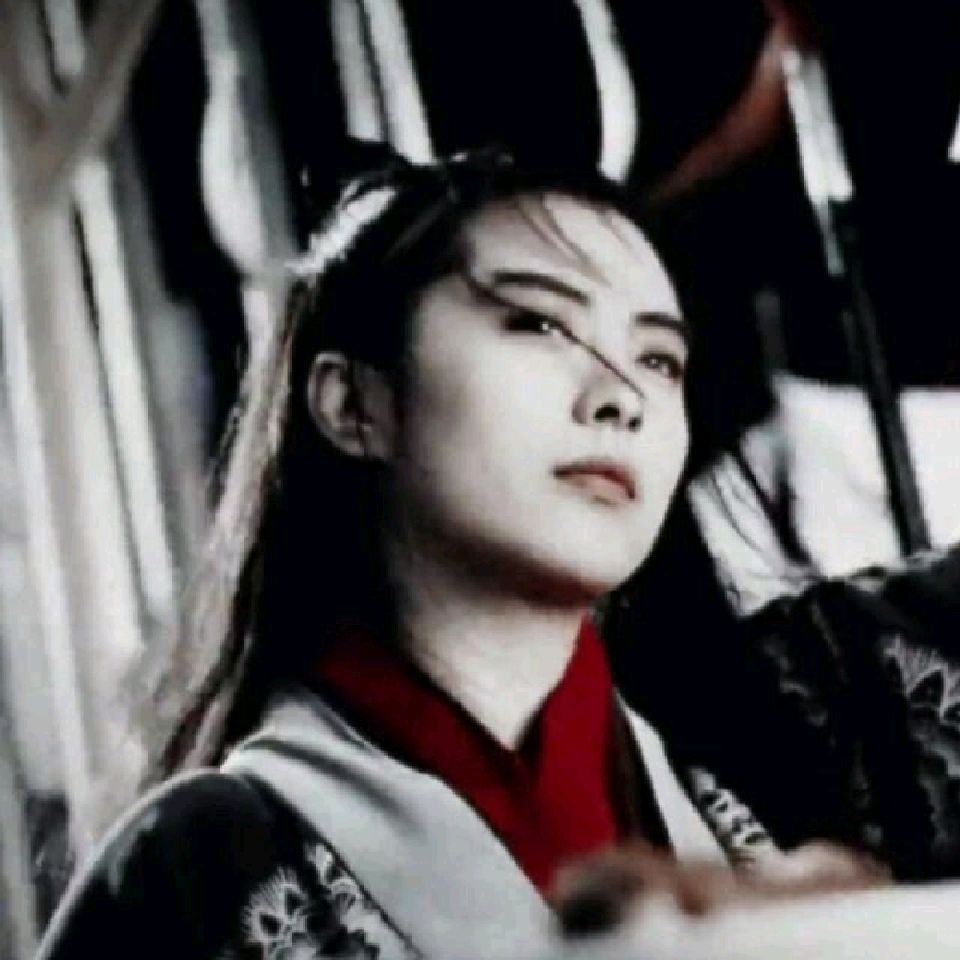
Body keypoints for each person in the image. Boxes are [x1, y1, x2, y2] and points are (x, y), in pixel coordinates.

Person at [34, 146, 960, 960]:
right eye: (540, 324)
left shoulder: (794, 721)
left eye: (659, 359)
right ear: (354, 404)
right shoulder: (199, 867)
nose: (620, 397)